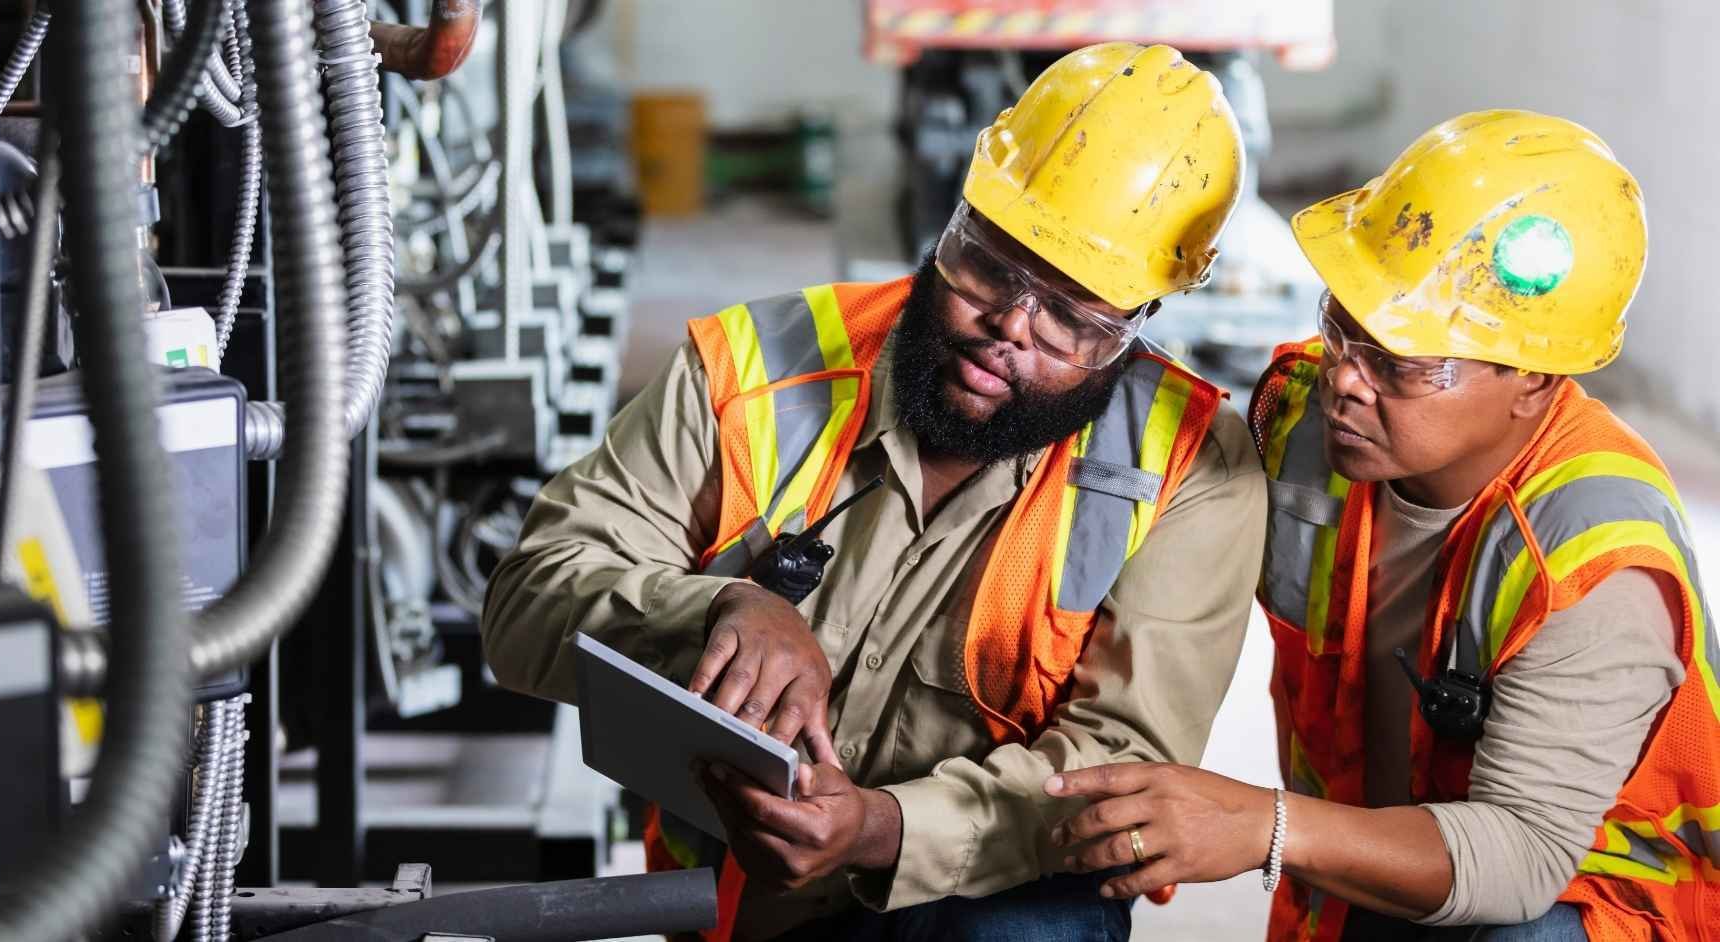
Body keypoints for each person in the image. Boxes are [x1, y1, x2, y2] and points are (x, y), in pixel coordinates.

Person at [481, 42, 1266, 941]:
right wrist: (714, 610)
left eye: (1073, 317)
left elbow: (1125, 768)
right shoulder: (755, 369)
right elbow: (526, 599)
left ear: (1137, 324)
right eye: (992, 264)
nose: (1010, 327)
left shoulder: (1191, 472)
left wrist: (880, 830)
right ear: (955, 214)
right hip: (732, 892)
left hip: (982, 901)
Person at [1043, 110, 1716, 941]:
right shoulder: (1299, 429)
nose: (1346, 382)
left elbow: (1522, 855)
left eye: (1398, 361)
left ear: (1533, 382)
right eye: (1341, 327)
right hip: (1375, 872)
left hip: (1597, 906)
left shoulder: (1592, 556)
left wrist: (1261, 824)